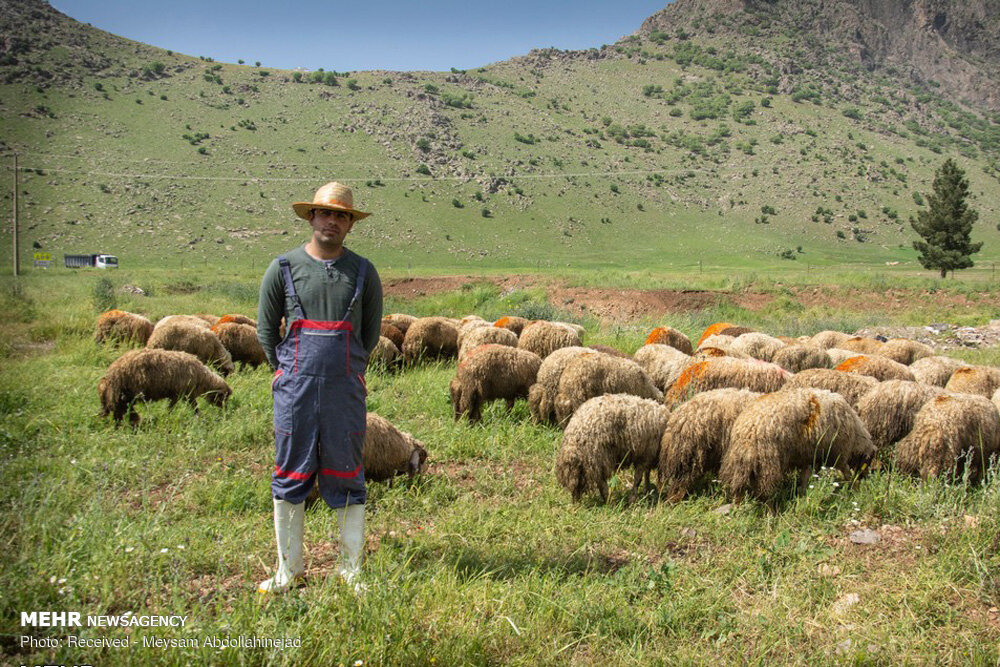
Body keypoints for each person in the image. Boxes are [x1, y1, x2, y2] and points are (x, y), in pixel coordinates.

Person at [256, 181, 383, 594]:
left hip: (344, 391)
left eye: (342, 215)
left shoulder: (364, 272)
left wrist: (343, 369)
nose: (333, 220)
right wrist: (287, 371)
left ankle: (350, 571)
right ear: (311, 217)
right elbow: (264, 331)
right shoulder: (283, 268)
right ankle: (288, 571)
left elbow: (369, 334)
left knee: (348, 472)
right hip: (294, 390)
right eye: (325, 213)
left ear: (350, 224)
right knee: (290, 472)